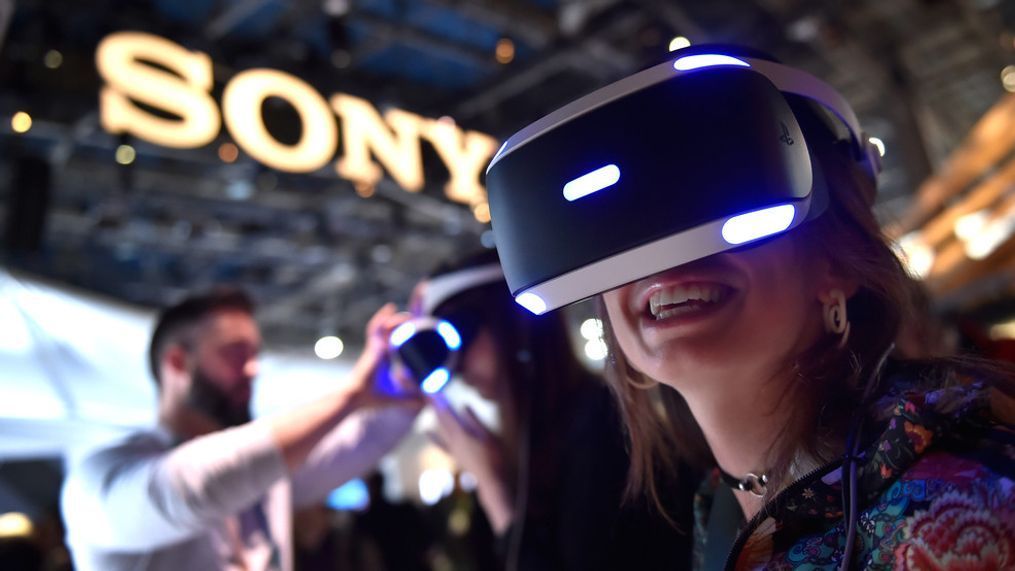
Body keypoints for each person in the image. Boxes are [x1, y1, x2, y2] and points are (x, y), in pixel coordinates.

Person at [485, 45, 1015, 569]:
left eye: (717, 186)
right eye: (626, 227)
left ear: (839, 265)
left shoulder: (961, 494)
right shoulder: (718, 508)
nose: (667, 256)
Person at [61, 288, 422, 571]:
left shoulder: (266, 476)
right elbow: (195, 490)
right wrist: (351, 395)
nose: (253, 370)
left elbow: (362, 442)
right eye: (236, 354)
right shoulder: (101, 476)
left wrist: (411, 383)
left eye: (255, 355)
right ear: (176, 362)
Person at [415, 250, 696, 571]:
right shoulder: (532, 438)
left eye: (461, 336)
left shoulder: (600, 423)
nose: (457, 364)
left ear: (514, 325)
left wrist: (492, 488)